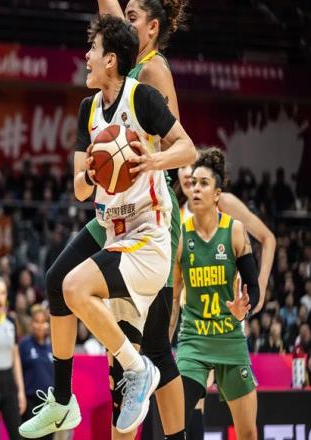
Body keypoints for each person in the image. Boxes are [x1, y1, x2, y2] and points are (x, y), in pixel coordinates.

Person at [19, 14, 195, 439]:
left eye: (92, 50)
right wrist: (95, 172)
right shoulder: (89, 109)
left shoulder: (142, 98)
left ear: (111, 59)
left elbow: (188, 149)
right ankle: (65, 401)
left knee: (76, 289)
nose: (86, 56)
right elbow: (80, 190)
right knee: (58, 282)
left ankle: (139, 371)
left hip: (148, 236)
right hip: (114, 231)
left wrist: (152, 160)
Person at [174, 162, 275, 438]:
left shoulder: (231, 219)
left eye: (202, 181)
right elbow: (172, 296)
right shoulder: (178, 223)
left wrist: (252, 300)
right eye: (191, 179)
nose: (194, 184)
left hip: (228, 328)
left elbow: (267, 241)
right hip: (194, 333)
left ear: (216, 192)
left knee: (247, 431)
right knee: (182, 415)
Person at [0, 276, 26, 440]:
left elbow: (15, 358)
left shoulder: (11, 322)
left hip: (9, 382)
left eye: (3, 293)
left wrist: (21, 391)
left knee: (17, 433)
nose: (0, 297)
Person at [19, 305, 54, 440]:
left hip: (49, 404)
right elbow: (18, 373)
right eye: (36, 321)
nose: (40, 326)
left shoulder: (53, 346)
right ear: (31, 323)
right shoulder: (24, 345)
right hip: (30, 402)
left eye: (43, 322)